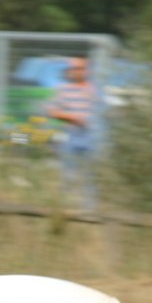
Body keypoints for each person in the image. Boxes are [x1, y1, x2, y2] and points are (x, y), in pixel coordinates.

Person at [47, 56, 100, 210]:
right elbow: (52, 111)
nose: (74, 72)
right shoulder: (64, 89)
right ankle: (65, 208)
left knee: (91, 175)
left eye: (78, 68)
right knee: (68, 175)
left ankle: (89, 210)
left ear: (87, 70)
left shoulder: (95, 89)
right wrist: (72, 117)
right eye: (72, 69)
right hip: (71, 134)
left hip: (92, 136)